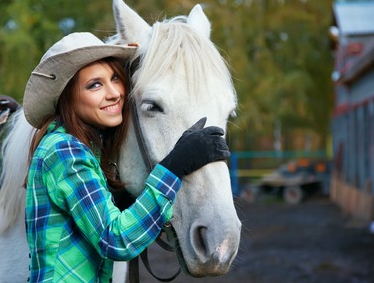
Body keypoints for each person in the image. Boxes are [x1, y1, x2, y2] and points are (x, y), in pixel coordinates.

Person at [23, 32, 230, 282]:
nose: (114, 93)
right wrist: (174, 167)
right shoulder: (64, 151)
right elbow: (115, 239)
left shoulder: (86, 150)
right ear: (69, 97)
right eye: (94, 85)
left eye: (114, 78)